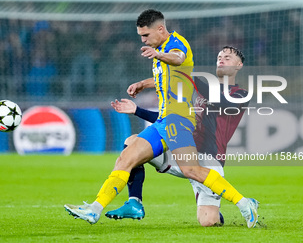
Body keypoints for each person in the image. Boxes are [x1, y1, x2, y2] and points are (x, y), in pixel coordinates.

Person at [64, 10, 259, 228]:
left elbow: (179, 58)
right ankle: (99, 208)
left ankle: (244, 203)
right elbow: (166, 78)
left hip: (186, 130)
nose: (143, 40)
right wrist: (142, 84)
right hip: (165, 123)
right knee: (127, 155)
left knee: (193, 176)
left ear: (160, 29)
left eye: (145, 35)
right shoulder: (162, 57)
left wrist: (159, 56)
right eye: (141, 36)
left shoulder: (177, 44)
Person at [106, 46, 251, 227]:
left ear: (239, 65)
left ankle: (217, 209)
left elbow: (219, 101)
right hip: (181, 151)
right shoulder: (198, 89)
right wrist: (138, 107)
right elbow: (169, 118)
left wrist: (188, 79)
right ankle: (135, 201)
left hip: (208, 161)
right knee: (132, 143)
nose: (221, 59)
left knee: (208, 222)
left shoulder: (240, 94)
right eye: (219, 56)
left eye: (228, 57)